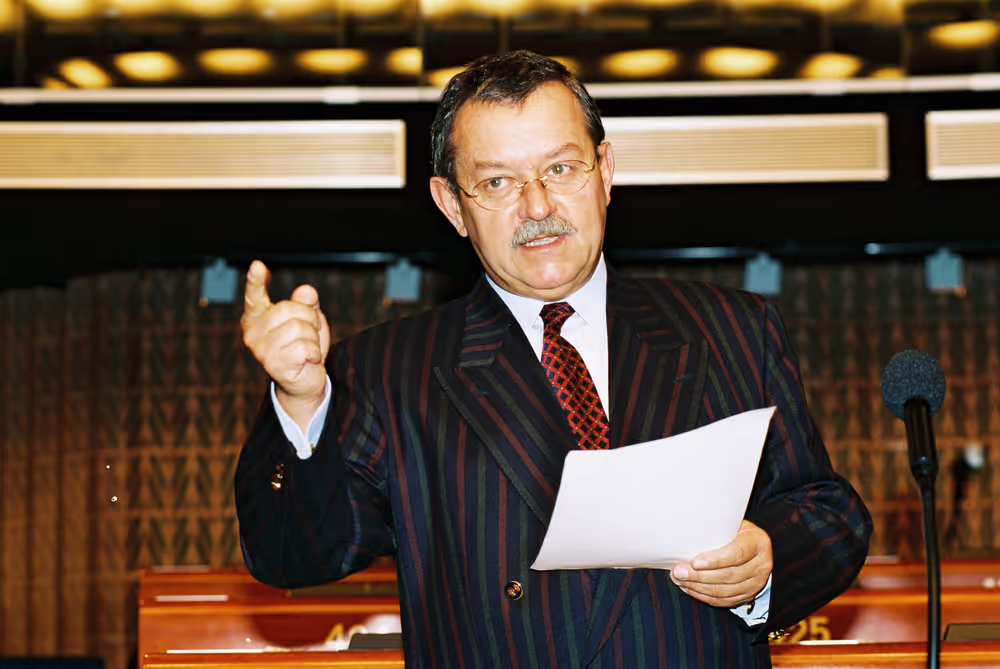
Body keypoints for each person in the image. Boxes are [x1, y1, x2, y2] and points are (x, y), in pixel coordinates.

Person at [235, 50, 872, 668]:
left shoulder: (732, 329)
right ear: (452, 205)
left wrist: (765, 560)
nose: (537, 206)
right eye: (496, 182)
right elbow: (293, 554)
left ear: (606, 170)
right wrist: (299, 405)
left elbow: (826, 514)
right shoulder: (384, 371)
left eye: (562, 169)